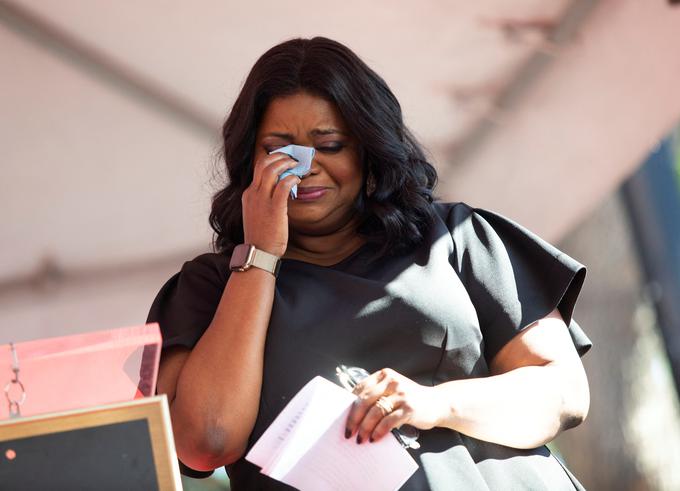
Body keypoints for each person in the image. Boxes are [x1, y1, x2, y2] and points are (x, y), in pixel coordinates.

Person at [148, 36, 592, 490]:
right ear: (249, 159)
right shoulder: (210, 288)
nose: (305, 168)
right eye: (280, 149)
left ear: (368, 148)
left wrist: (434, 403)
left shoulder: (454, 237)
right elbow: (206, 439)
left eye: (331, 145)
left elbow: (561, 394)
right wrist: (260, 256)